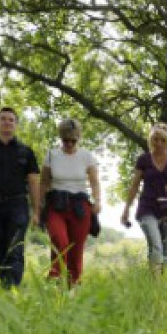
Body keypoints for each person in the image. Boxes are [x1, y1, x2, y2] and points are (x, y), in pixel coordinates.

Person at [0, 106, 41, 288]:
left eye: (11, 120)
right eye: (3, 119)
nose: (7, 122)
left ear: (16, 125)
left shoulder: (26, 151)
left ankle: (12, 288)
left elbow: (33, 182)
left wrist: (37, 211)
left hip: (18, 205)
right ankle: (5, 282)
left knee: (15, 248)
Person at [39, 118, 101, 286]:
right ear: (61, 138)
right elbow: (44, 182)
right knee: (60, 240)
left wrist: (98, 201)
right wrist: (38, 207)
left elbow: (94, 181)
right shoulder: (52, 155)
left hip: (80, 206)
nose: (69, 143)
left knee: (76, 249)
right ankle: (55, 278)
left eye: (73, 140)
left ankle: (73, 286)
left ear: (78, 139)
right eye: (66, 140)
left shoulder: (87, 157)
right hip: (56, 204)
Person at [121, 123, 167, 274]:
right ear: (151, 140)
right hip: (147, 207)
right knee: (156, 245)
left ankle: (161, 287)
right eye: (155, 139)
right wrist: (126, 210)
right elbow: (134, 186)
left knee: (166, 250)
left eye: (163, 140)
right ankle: (156, 285)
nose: (159, 143)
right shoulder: (143, 160)